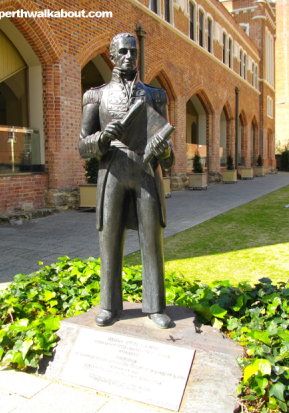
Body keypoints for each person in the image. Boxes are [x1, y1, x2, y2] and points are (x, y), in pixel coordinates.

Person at [79, 33, 175, 329]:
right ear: (112, 55)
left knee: (151, 238)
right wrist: (104, 136)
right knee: (109, 238)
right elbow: (83, 146)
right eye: (123, 51)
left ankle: (155, 305)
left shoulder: (156, 95)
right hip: (113, 170)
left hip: (147, 170)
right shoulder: (95, 96)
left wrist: (165, 150)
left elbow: (170, 156)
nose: (130, 56)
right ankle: (109, 305)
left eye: (134, 51)